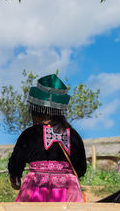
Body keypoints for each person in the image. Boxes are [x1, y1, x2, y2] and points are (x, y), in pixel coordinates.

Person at [8, 74, 87, 202]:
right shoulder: (73, 135)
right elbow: (81, 168)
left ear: (35, 109)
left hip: (35, 190)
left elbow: (16, 162)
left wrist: (15, 176)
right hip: (68, 192)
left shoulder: (29, 134)